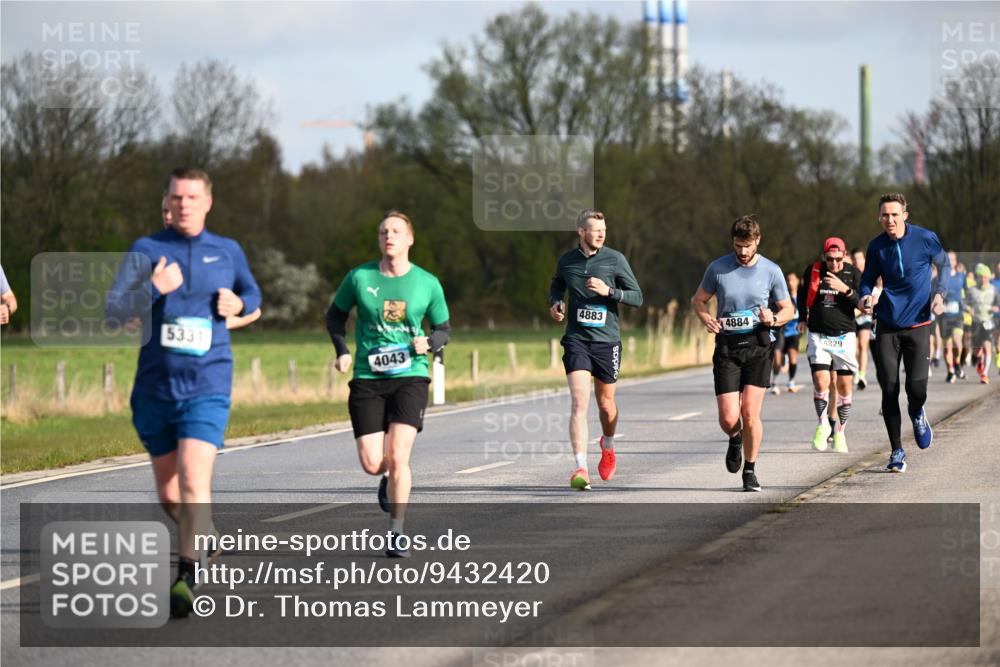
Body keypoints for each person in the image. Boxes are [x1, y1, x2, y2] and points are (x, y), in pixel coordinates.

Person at [106, 167, 262, 616]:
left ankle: (185, 576)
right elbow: (114, 312)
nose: (183, 204)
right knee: (172, 497)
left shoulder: (227, 251)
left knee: (196, 479)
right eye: (176, 198)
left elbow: (252, 295)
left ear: (208, 202)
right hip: (155, 388)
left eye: (192, 197)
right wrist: (155, 288)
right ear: (167, 203)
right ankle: (205, 536)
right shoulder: (147, 250)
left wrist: (240, 304)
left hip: (208, 384)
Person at [325, 210, 450, 557]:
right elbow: (334, 316)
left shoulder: (427, 283)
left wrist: (431, 342)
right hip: (367, 377)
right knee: (372, 462)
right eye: (383, 232)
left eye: (396, 231)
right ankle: (386, 478)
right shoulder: (359, 278)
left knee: (398, 455)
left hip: (411, 374)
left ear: (409, 239)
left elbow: (444, 329)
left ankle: (397, 532)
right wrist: (342, 350)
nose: (389, 236)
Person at [691, 215, 794, 492]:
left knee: (750, 412)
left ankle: (750, 469)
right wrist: (706, 318)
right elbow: (698, 300)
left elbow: (788, 310)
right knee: (728, 418)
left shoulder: (772, 270)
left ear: (758, 241)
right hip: (727, 346)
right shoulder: (718, 269)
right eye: (738, 246)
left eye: (748, 246)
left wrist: (773, 317)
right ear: (732, 243)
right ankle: (735, 438)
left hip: (759, 345)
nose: (743, 252)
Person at [549, 209, 643, 491]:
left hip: (607, 341)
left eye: (603, 229)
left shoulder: (615, 259)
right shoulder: (567, 261)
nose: (601, 233)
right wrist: (555, 302)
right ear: (581, 232)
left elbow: (637, 298)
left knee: (605, 405)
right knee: (579, 402)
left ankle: (608, 444)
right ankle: (581, 467)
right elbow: (557, 283)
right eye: (595, 229)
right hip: (577, 339)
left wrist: (609, 292)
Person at [858, 193, 948, 473]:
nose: (890, 220)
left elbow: (944, 265)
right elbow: (866, 281)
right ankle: (897, 450)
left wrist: (940, 294)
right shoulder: (876, 247)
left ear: (905, 215)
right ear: (879, 218)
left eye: (895, 215)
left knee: (916, 389)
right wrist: (865, 297)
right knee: (889, 388)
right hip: (887, 326)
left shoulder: (924, 238)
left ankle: (917, 412)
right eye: (885, 215)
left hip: (919, 324)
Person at [798, 238, 862, 453]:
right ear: (824, 256)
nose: (833, 263)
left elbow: (862, 301)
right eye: (829, 259)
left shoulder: (852, 273)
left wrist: (845, 289)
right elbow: (802, 293)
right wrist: (801, 318)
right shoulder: (814, 270)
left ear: (844, 255)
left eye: (838, 259)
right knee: (821, 380)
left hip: (844, 336)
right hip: (818, 333)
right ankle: (822, 424)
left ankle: (841, 432)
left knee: (844, 386)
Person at [966, 264, 999, 384]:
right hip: (976, 322)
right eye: (982, 277)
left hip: (988, 322)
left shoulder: (993, 290)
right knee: (977, 350)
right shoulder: (972, 290)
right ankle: (978, 359)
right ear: (978, 278)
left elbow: (998, 303)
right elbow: (965, 303)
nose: (984, 279)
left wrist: (996, 308)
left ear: (989, 277)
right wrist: (968, 309)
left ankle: (984, 374)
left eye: (986, 277)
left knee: (987, 347)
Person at [770, 272, 801, 395]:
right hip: (780, 332)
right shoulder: (781, 297)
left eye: (793, 279)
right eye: (788, 280)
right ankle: (775, 382)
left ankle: (791, 381)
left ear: (798, 281)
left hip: (794, 332)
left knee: (793, 354)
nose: (790, 282)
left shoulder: (802, 298)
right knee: (777, 360)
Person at [938, 251, 967, 383]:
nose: (950, 261)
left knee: (957, 342)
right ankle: (950, 370)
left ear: (955, 261)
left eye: (952, 259)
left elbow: (967, 293)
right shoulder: (940, 278)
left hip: (957, 315)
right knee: (947, 346)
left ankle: (956, 363)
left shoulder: (961, 276)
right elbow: (934, 294)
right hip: (944, 316)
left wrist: (967, 305)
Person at [851, 248, 874, 389]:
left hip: (864, 316)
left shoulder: (869, 275)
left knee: (863, 345)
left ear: (864, 259)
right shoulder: (850, 275)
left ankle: (862, 375)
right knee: (854, 349)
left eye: (859, 258)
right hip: (852, 316)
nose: (857, 261)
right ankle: (855, 371)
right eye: (854, 259)